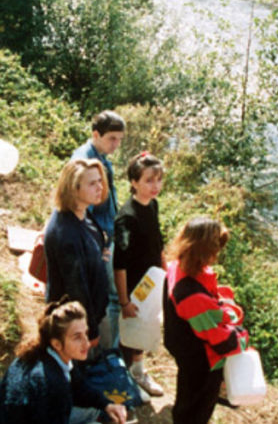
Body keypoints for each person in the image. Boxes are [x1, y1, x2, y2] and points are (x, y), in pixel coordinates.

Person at [0, 299, 128, 424]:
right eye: (77, 337)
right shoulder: (51, 382)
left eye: (86, 333)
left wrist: (107, 405)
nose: (87, 343)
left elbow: (78, 387)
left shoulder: (45, 353)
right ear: (57, 343)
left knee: (93, 410)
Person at [164, 218, 250, 424]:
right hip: (200, 359)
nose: (216, 256)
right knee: (197, 407)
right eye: (214, 250)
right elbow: (221, 340)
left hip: (183, 348)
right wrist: (243, 338)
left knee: (186, 397)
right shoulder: (190, 294)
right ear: (202, 251)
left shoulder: (176, 266)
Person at [44, 159, 111, 353]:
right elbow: (76, 290)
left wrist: (98, 252)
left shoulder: (81, 211)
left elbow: (93, 236)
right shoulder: (66, 235)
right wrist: (89, 332)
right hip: (73, 325)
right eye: (92, 183)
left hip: (91, 313)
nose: (100, 187)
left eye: (100, 180)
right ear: (74, 188)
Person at [71, 111, 125, 351]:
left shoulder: (101, 156)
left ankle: (106, 349)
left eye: (120, 139)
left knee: (108, 296)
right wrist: (99, 244)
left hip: (107, 234)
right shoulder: (85, 162)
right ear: (96, 134)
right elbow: (82, 210)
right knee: (108, 298)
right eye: (112, 138)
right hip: (99, 240)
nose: (117, 144)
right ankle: (106, 352)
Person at [114, 152, 166, 398]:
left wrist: (165, 275)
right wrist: (125, 302)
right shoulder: (126, 217)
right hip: (135, 285)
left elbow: (159, 244)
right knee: (132, 330)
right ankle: (127, 380)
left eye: (158, 180)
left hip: (152, 281)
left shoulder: (153, 205)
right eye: (148, 180)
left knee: (146, 326)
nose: (155, 186)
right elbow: (120, 264)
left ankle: (138, 371)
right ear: (134, 182)